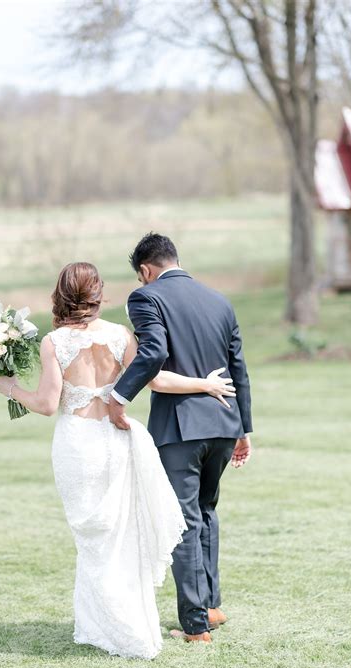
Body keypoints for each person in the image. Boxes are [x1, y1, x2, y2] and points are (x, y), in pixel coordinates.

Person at [0, 261, 236, 659]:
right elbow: (156, 378)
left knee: (91, 537)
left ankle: (112, 625)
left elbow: (45, 404)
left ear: (60, 294)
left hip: (77, 444)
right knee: (121, 535)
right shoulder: (120, 335)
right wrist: (204, 384)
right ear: (98, 293)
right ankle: (124, 621)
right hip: (116, 440)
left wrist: (10, 388)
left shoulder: (54, 342)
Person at [109, 233, 253, 644]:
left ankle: (194, 626)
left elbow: (152, 354)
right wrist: (242, 429)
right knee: (206, 512)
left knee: (184, 521)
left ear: (145, 270)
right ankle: (210, 606)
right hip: (224, 425)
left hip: (180, 430)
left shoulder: (146, 298)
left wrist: (119, 395)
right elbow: (238, 369)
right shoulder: (219, 301)